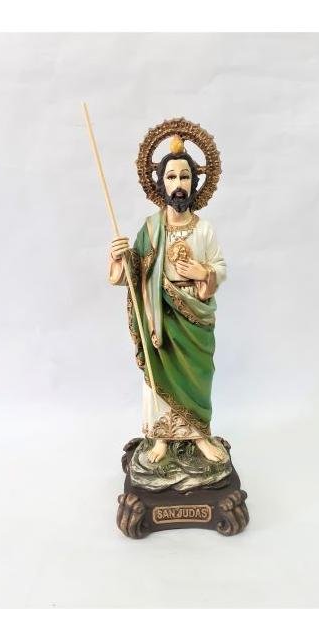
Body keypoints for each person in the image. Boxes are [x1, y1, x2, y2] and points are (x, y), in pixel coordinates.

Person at [108, 134, 228, 465]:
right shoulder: (151, 228)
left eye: (185, 177)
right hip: (159, 313)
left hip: (194, 316)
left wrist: (203, 271)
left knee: (199, 376)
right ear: (161, 183)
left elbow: (219, 267)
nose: (178, 184)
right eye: (171, 177)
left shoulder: (204, 229)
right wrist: (120, 258)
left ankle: (200, 434)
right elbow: (135, 271)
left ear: (194, 183)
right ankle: (161, 436)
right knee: (159, 373)